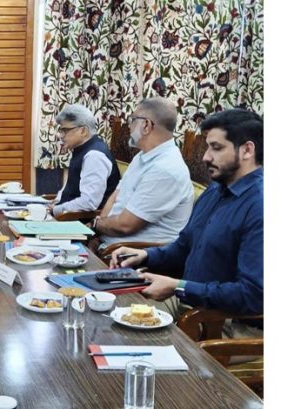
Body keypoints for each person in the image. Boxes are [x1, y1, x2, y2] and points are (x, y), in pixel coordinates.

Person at [110, 108, 263, 335]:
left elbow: (252, 295)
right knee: (109, 312)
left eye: (216, 148)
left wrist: (179, 287)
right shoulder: (216, 190)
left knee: (131, 342)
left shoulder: (260, 205)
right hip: (189, 304)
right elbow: (184, 247)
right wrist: (146, 255)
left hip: (228, 323)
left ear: (247, 150)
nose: (206, 157)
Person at [91, 97, 193, 247]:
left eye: (132, 120)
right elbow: (116, 195)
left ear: (146, 125)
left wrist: (96, 225)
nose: (129, 127)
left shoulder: (165, 168)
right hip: (107, 243)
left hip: (130, 256)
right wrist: (98, 233)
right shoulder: (143, 155)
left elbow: (125, 226)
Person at [48, 104, 121, 217]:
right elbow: (70, 186)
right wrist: (57, 201)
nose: (60, 135)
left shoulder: (94, 156)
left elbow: (89, 202)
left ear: (83, 131)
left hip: (83, 222)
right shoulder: (81, 149)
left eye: (65, 130)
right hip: (68, 215)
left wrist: (57, 210)